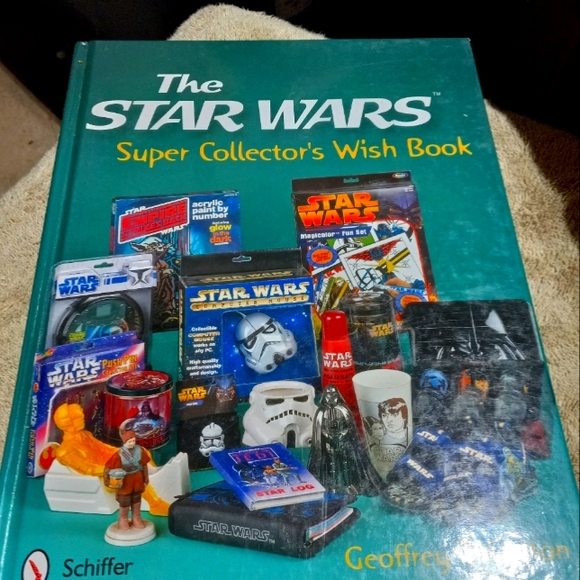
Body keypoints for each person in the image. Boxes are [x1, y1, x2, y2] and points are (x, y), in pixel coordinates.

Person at [104, 429, 151, 531]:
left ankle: (136, 517)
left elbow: (144, 466)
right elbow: (108, 468)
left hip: (137, 479)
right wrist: (107, 481)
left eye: (133, 440)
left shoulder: (140, 450)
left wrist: (146, 479)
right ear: (124, 442)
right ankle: (123, 519)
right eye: (130, 441)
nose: (132, 443)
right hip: (125, 481)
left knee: (136, 499)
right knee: (124, 501)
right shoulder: (119, 454)